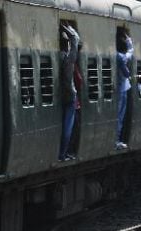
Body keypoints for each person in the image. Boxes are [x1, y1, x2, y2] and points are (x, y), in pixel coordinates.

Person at [59, 23, 81, 161]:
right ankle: (63, 153)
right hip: (70, 96)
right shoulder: (68, 59)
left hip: (60, 95)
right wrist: (67, 27)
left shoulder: (58, 57)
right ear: (67, 44)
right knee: (68, 126)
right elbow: (76, 39)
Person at [115, 31, 134, 150]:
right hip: (122, 90)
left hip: (120, 88)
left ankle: (118, 140)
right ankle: (117, 140)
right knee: (120, 116)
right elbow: (127, 73)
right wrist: (129, 42)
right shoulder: (120, 57)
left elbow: (129, 54)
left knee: (120, 116)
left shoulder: (118, 56)